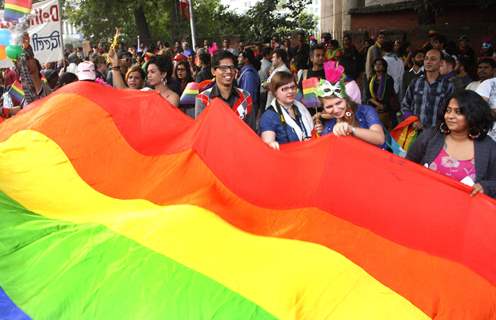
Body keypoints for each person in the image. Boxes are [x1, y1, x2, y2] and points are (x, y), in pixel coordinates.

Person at [406, 90, 496, 198]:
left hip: (464, 212)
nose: (450, 116)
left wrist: (484, 187)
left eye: (458, 112)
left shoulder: (489, 147)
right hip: (423, 203)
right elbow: (407, 165)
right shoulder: (430, 137)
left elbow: (494, 182)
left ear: (474, 115)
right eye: (448, 111)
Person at [315, 67, 385, 147]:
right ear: (323, 108)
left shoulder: (365, 111)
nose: (336, 110)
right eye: (329, 107)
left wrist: (351, 129)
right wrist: (321, 135)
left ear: (346, 99)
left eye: (338, 103)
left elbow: (380, 138)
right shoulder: (328, 124)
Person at [401, 49, 455, 130]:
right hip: (415, 134)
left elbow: (452, 111)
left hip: (437, 134)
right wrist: (412, 121)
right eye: (426, 58)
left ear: (441, 63)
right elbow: (405, 105)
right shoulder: (415, 82)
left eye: (433, 59)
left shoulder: (448, 86)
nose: (428, 62)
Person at [259, 71, 313, 150]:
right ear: (275, 92)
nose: (290, 91)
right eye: (285, 89)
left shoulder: (301, 108)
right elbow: (268, 143)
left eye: (293, 87)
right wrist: (271, 144)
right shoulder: (269, 116)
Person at [195, 50, 252, 122]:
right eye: (223, 68)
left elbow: (251, 130)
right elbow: (201, 131)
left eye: (231, 67)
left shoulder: (245, 97)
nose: (229, 71)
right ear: (213, 71)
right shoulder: (203, 99)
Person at [365, 58, 397, 129]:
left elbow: (389, 95)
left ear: (384, 66)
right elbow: (368, 95)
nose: (377, 66)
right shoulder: (371, 79)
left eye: (380, 64)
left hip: (386, 107)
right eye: (376, 64)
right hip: (373, 106)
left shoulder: (389, 79)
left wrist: (382, 106)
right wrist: (378, 105)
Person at [237, 48, 261, 129]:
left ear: (246, 59)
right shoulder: (245, 72)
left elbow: (248, 95)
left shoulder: (249, 74)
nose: (238, 59)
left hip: (248, 109)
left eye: (240, 57)